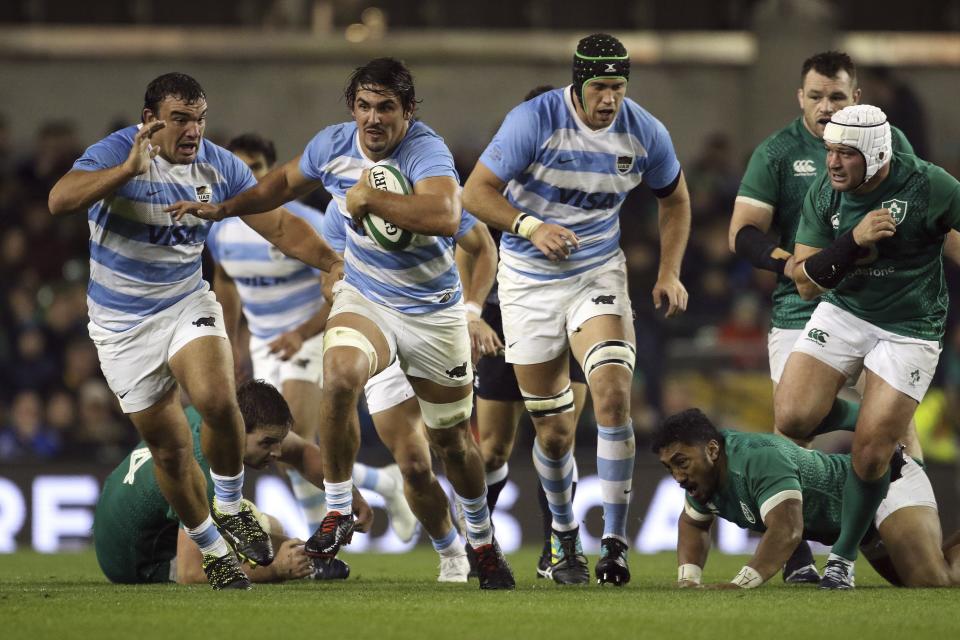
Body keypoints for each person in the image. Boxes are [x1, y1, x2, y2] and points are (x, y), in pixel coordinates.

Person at [166, 58, 515, 590]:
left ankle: (482, 542)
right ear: (352, 108)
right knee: (342, 376)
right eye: (364, 107)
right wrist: (228, 207)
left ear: (409, 111)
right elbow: (281, 184)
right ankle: (335, 510)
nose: (373, 119)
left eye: (386, 108)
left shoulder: (427, 152)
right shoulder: (333, 147)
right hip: (369, 299)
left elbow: (448, 217)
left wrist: (374, 198)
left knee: (451, 445)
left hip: (432, 312)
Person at [48, 73, 344, 589]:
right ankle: (211, 548)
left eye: (200, 118)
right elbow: (60, 200)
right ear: (150, 121)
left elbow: (275, 223)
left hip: (186, 300)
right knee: (170, 449)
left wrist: (329, 261)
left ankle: (230, 506)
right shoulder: (117, 151)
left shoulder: (217, 164)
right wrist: (123, 172)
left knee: (215, 398)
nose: (193, 130)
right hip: (121, 325)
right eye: (180, 119)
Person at [461, 33, 691, 586]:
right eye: (600, 87)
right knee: (555, 433)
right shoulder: (534, 121)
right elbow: (475, 193)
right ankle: (565, 538)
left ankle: (614, 543)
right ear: (578, 82)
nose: (609, 98)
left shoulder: (644, 131)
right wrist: (530, 226)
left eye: (618, 86)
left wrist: (668, 271)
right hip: (527, 283)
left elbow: (676, 200)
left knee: (612, 395)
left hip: (596, 273)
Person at [727, 51, 920, 583]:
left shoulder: (890, 143)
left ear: (855, 99)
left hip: (876, 309)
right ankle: (796, 560)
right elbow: (742, 232)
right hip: (801, 307)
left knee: (899, 431)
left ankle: (909, 529)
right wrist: (785, 261)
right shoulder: (778, 152)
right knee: (793, 427)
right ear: (800, 98)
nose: (824, 106)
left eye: (836, 96)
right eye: (815, 96)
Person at [777, 104, 960, 588]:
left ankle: (841, 561)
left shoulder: (930, 185)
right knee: (792, 416)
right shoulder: (825, 193)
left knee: (869, 455)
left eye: (845, 153)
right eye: (829, 151)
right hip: (846, 312)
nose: (832, 162)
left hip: (911, 327)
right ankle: (882, 425)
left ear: (877, 153)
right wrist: (853, 241)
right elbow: (805, 283)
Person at [208, 132, 417, 544]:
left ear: (270, 173)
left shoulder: (302, 223)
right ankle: (382, 482)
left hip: (310, 336)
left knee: (288, 435)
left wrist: (301, 332)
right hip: (264, 343)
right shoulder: (220, 230)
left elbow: (341, 284)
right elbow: (226, 281)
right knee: (283, 453)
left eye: (255, 169)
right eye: (238, 169)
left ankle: (322, 541)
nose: (246, 178)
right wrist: (231, 343)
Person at [317, 194, 499, 583]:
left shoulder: (436, 194)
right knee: (414, 466)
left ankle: (483, 539)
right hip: (379, 325)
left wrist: (471, 314)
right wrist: (343, 289)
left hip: (434, 325)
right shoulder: (342, 205)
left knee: (452, 442)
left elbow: (482, 246)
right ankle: (451, 551)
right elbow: (328, 275)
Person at [455, 83, 591, 580]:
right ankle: (481, 544)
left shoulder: (585, 178)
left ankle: (557, 545)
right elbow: (465, 248)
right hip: (500, 321)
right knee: (492, 447)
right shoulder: (491, 182)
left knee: (559, 437)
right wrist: (471, 315)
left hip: (565, 317)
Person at [94, 379, 373, 587]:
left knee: (261, 531)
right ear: (240, 430)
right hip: (140, 563)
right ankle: (302, 562)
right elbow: (190, 574)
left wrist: (347, 495)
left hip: (125, 524)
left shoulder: (212, 419)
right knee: (266, 530)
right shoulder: (202, 472)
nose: (276, 453)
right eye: (267, 443)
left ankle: (304, 560)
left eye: (278, 441)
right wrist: (274, 570)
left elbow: (301, 452)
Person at [652, 408, 960, 589]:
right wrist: (689, 582)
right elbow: (693, 524)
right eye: (670, 468)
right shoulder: (701, 480)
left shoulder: (758, 460)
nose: (678, 477)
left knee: (933, 580)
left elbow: (787, 529)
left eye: (682, 462)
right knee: (913, 581)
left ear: (712, 450)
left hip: (885, 484)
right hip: (857, 525)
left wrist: (738, 585)